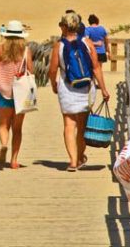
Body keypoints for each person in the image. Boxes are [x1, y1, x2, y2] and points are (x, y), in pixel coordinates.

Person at [48, 12, 110, 172]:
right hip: (86, 88)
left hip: (67, 88)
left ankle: (73, 161)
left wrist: (54, 85)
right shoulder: (87, 43)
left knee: (69, 124)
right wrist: (103, 88)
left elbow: (52, 69)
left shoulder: (59, 46)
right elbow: (96, 67)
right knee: (82, 126)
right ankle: (80, 156)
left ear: (64, 26)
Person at [0, 20, 32, 169]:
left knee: (3, 125)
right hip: (21, 93)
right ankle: (14, 160)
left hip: (3, 90)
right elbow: (31, 71)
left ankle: (3, 144)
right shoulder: (26, 51)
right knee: (17, 128)